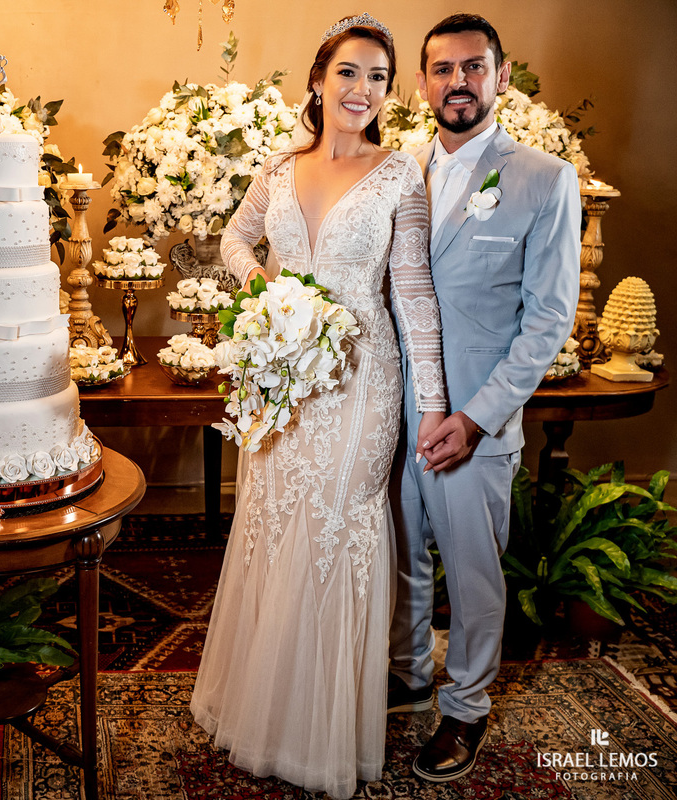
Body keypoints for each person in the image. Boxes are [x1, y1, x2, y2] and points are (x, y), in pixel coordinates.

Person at [190, 13, 447, 799]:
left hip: (361, 382)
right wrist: (260, 286)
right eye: (348, 72)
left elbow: (413, 296)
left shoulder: (400, 174)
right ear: (317, 79)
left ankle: (323, 724)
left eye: (377, 77)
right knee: (273, 519)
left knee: (335, 527)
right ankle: (264, 704)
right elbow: (234, 239)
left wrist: (431, 405)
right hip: (281, 377)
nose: (362, 89)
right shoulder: (277, 165)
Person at [387, 13, 580, 783]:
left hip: (475, 418)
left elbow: (548, 321)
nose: (457, 81)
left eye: (474, 67)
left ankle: (465, 708)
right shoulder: (398, 173)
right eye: (442, 68)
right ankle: (407, 674)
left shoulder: (542, 178)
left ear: (502, 78)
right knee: (401, 557)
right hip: (391, 413)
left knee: (473, 573)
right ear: (422, 83)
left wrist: (475, 417)